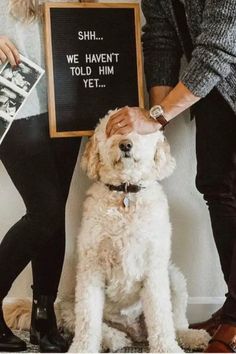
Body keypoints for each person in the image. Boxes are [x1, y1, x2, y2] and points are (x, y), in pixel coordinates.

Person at [106, 0, 236, 352]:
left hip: (224, 71)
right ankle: (234, 309)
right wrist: (154, 123)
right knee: (217, 189)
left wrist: (157, 117)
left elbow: (219, 46)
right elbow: (161, 36)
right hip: (212, 91)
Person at [0, 0, 81, 352]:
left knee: (53, 215)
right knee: (45, 211)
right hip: (14, 95)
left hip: (66, 96)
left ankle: (43, 317)